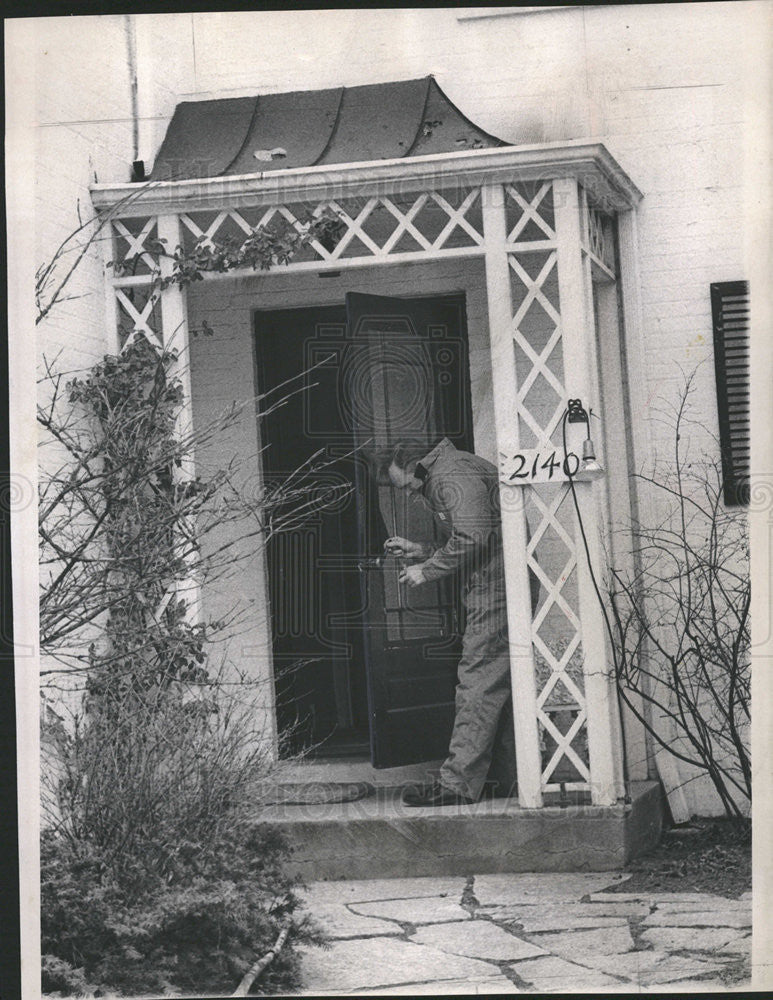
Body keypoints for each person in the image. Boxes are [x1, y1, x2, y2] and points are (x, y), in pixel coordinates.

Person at [385, 437, 536, 807]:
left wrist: (426, 570)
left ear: (418, 466)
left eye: (405, 486)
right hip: (499, 580)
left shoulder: (450, 472)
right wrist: (422, 550)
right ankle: (507, 777)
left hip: (497, 586)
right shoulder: (455, 469)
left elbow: (472, 536)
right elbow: (479, 535)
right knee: (499, 680)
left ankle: (458, 783)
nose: (407, 496)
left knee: (477, 679)